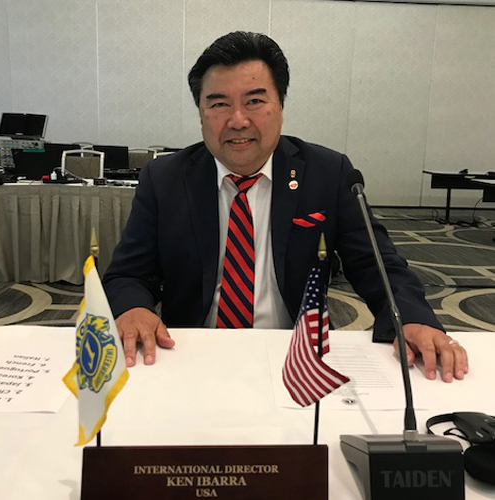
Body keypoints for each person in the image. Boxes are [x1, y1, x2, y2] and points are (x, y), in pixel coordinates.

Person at [103, 31, 468, 382]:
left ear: (280, 106)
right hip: (189, 353)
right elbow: (128, 273)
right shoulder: (164, 178)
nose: (238, 120)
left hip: (295, 357)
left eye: (255, 101)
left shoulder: (327, 173)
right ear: (201, 112)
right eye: (218, 104)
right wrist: (132, 307)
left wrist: (413, 317)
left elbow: (377, 264)